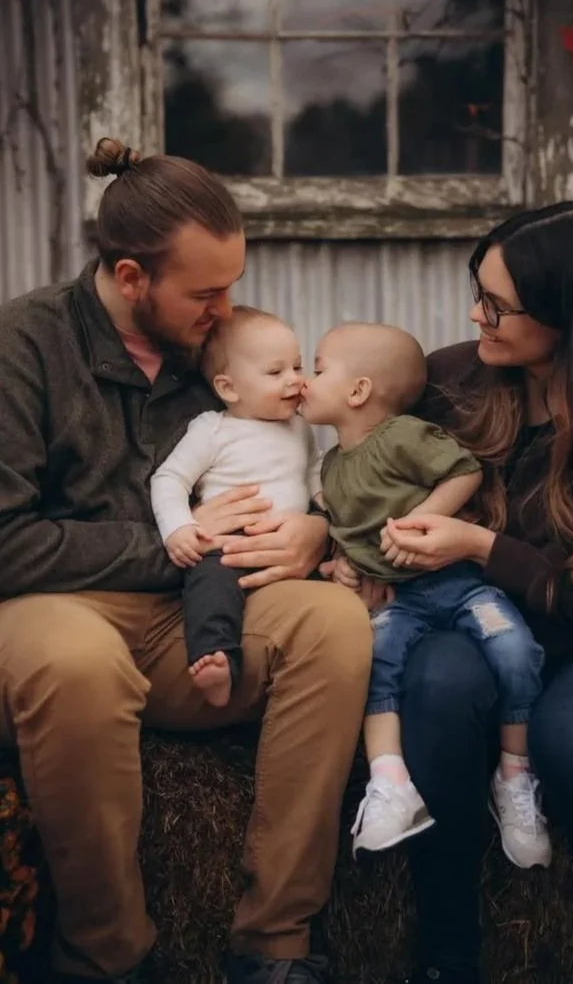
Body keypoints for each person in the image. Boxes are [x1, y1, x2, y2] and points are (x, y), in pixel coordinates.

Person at [0, 137, 372, 984]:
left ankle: (276, 942)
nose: (225, 308)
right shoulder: (24, 344)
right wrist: (180, 540)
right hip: (53, 609)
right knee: (76, 662)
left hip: (195, 615)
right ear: (132, 278)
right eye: (206, 292)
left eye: (232, 285)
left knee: (333, 622)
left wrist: (315, 527)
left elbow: (292, 460)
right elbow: (6, 537)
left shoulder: (217, 347)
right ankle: (106, 957)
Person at [383, 202, 573, 984]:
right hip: (470, 633)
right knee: (435, 684)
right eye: (478, 291)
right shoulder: (447, 382)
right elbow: (360, 466)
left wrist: (481, 545)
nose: (476, 314)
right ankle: (447, 952)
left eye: (498, 304)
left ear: (572, 315)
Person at [304, 322, 550, 868]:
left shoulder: (403, 436)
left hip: (458, 585)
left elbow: (464, 472)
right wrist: (342, 567)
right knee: (376, 665)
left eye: (316, 370)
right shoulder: (332, 469)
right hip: (399, 600)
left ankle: (514, 770)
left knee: (514, 649)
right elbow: (349, 534)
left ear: (358, 391)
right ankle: (390, 784)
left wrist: (422, 520)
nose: (302, 381)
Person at [151, 305, 323, 707]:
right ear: (229, 388)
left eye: (297, 367)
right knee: (210, 591)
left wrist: (324, 507)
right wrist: (178, 527)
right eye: (275, 372)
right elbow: (169, 478)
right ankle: (217, 659)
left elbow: (313, 469)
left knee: (332, 593)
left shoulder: (298, 426)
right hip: (228, 546)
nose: (294, 381)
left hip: (287, 546)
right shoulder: (213, 430)